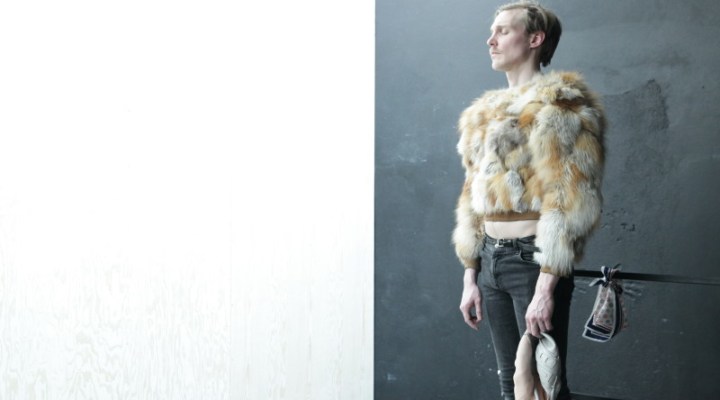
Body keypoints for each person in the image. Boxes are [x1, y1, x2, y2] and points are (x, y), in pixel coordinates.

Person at [452, 2, 605, 399]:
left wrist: (545, 287)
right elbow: (471, 195)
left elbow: (571, 198)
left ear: (535, 39)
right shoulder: (481, 114)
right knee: (511, 387)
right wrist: (471, 275)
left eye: (503, 31)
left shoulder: (562, 106)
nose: (491, 40)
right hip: (491, 260)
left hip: (532, 261)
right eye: (493, 31)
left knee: (541, 388)